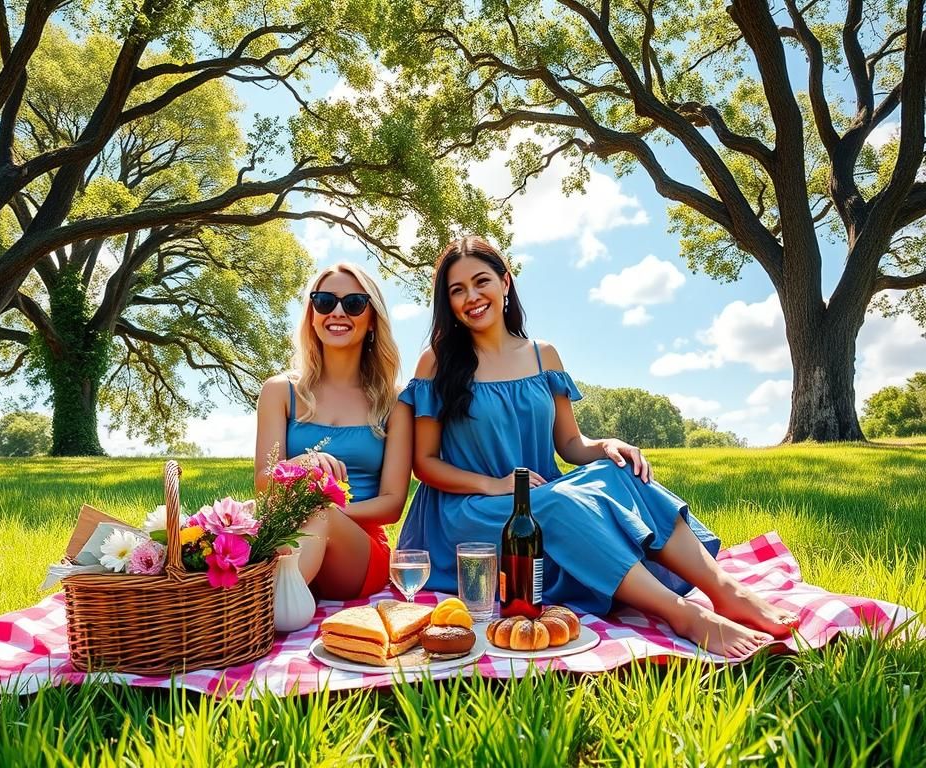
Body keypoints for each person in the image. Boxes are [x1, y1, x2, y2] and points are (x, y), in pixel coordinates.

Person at [398, 236, 799, 657]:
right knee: (558, 504)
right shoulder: (437, 362)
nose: (472, 297)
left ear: (505, 282)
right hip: (470, 511)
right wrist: (495, 485)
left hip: (540, 497)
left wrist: (608, 445)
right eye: (457, 290)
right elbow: (424, 463)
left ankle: (726, 590)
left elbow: (570, 444)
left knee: (619, 469)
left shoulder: (542, 356)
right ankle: (683, 614)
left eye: (481, 282)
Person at [255, 262, 412, 600]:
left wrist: (324, 513)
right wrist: (301, 464)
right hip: (289, 534)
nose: (337, 312)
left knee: (320, 515)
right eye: (325, 301)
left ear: (372, 320)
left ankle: (269, 610)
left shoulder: (394, 401)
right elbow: (263, 483)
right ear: (312, 315)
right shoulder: (279, 391)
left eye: (354, 304)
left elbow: (392, 504)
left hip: (359, 549)